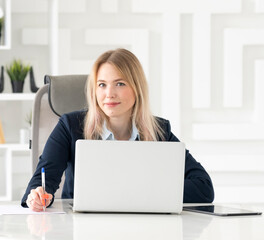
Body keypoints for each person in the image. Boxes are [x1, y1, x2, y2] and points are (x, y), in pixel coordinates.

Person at [22, 48, 214, 212]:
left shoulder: (159, 131)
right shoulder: (70, 126)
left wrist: (136, 192)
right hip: (82, 228)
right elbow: (41, 182)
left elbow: (204, 188)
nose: (109, 94)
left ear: (137, 88)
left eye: (120, 84)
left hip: (144, 228)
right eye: (102, 85)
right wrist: (37, 196)